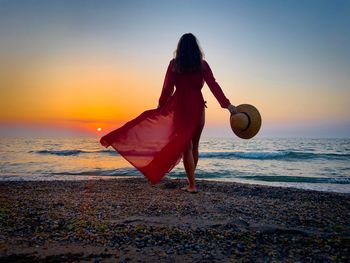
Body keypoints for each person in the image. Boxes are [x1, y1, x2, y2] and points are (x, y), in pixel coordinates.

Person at [100, 33, 236, 193]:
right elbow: (213, 85)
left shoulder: (174, 64)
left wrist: (161, 106)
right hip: (198, 107)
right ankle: (192, 181)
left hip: (180, 107)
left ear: (180, 49)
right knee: (195, 146)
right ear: (196, 48)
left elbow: (167, 88)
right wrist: (227, 105)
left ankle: (192, 184)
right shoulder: (202, 65)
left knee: (187, 147)